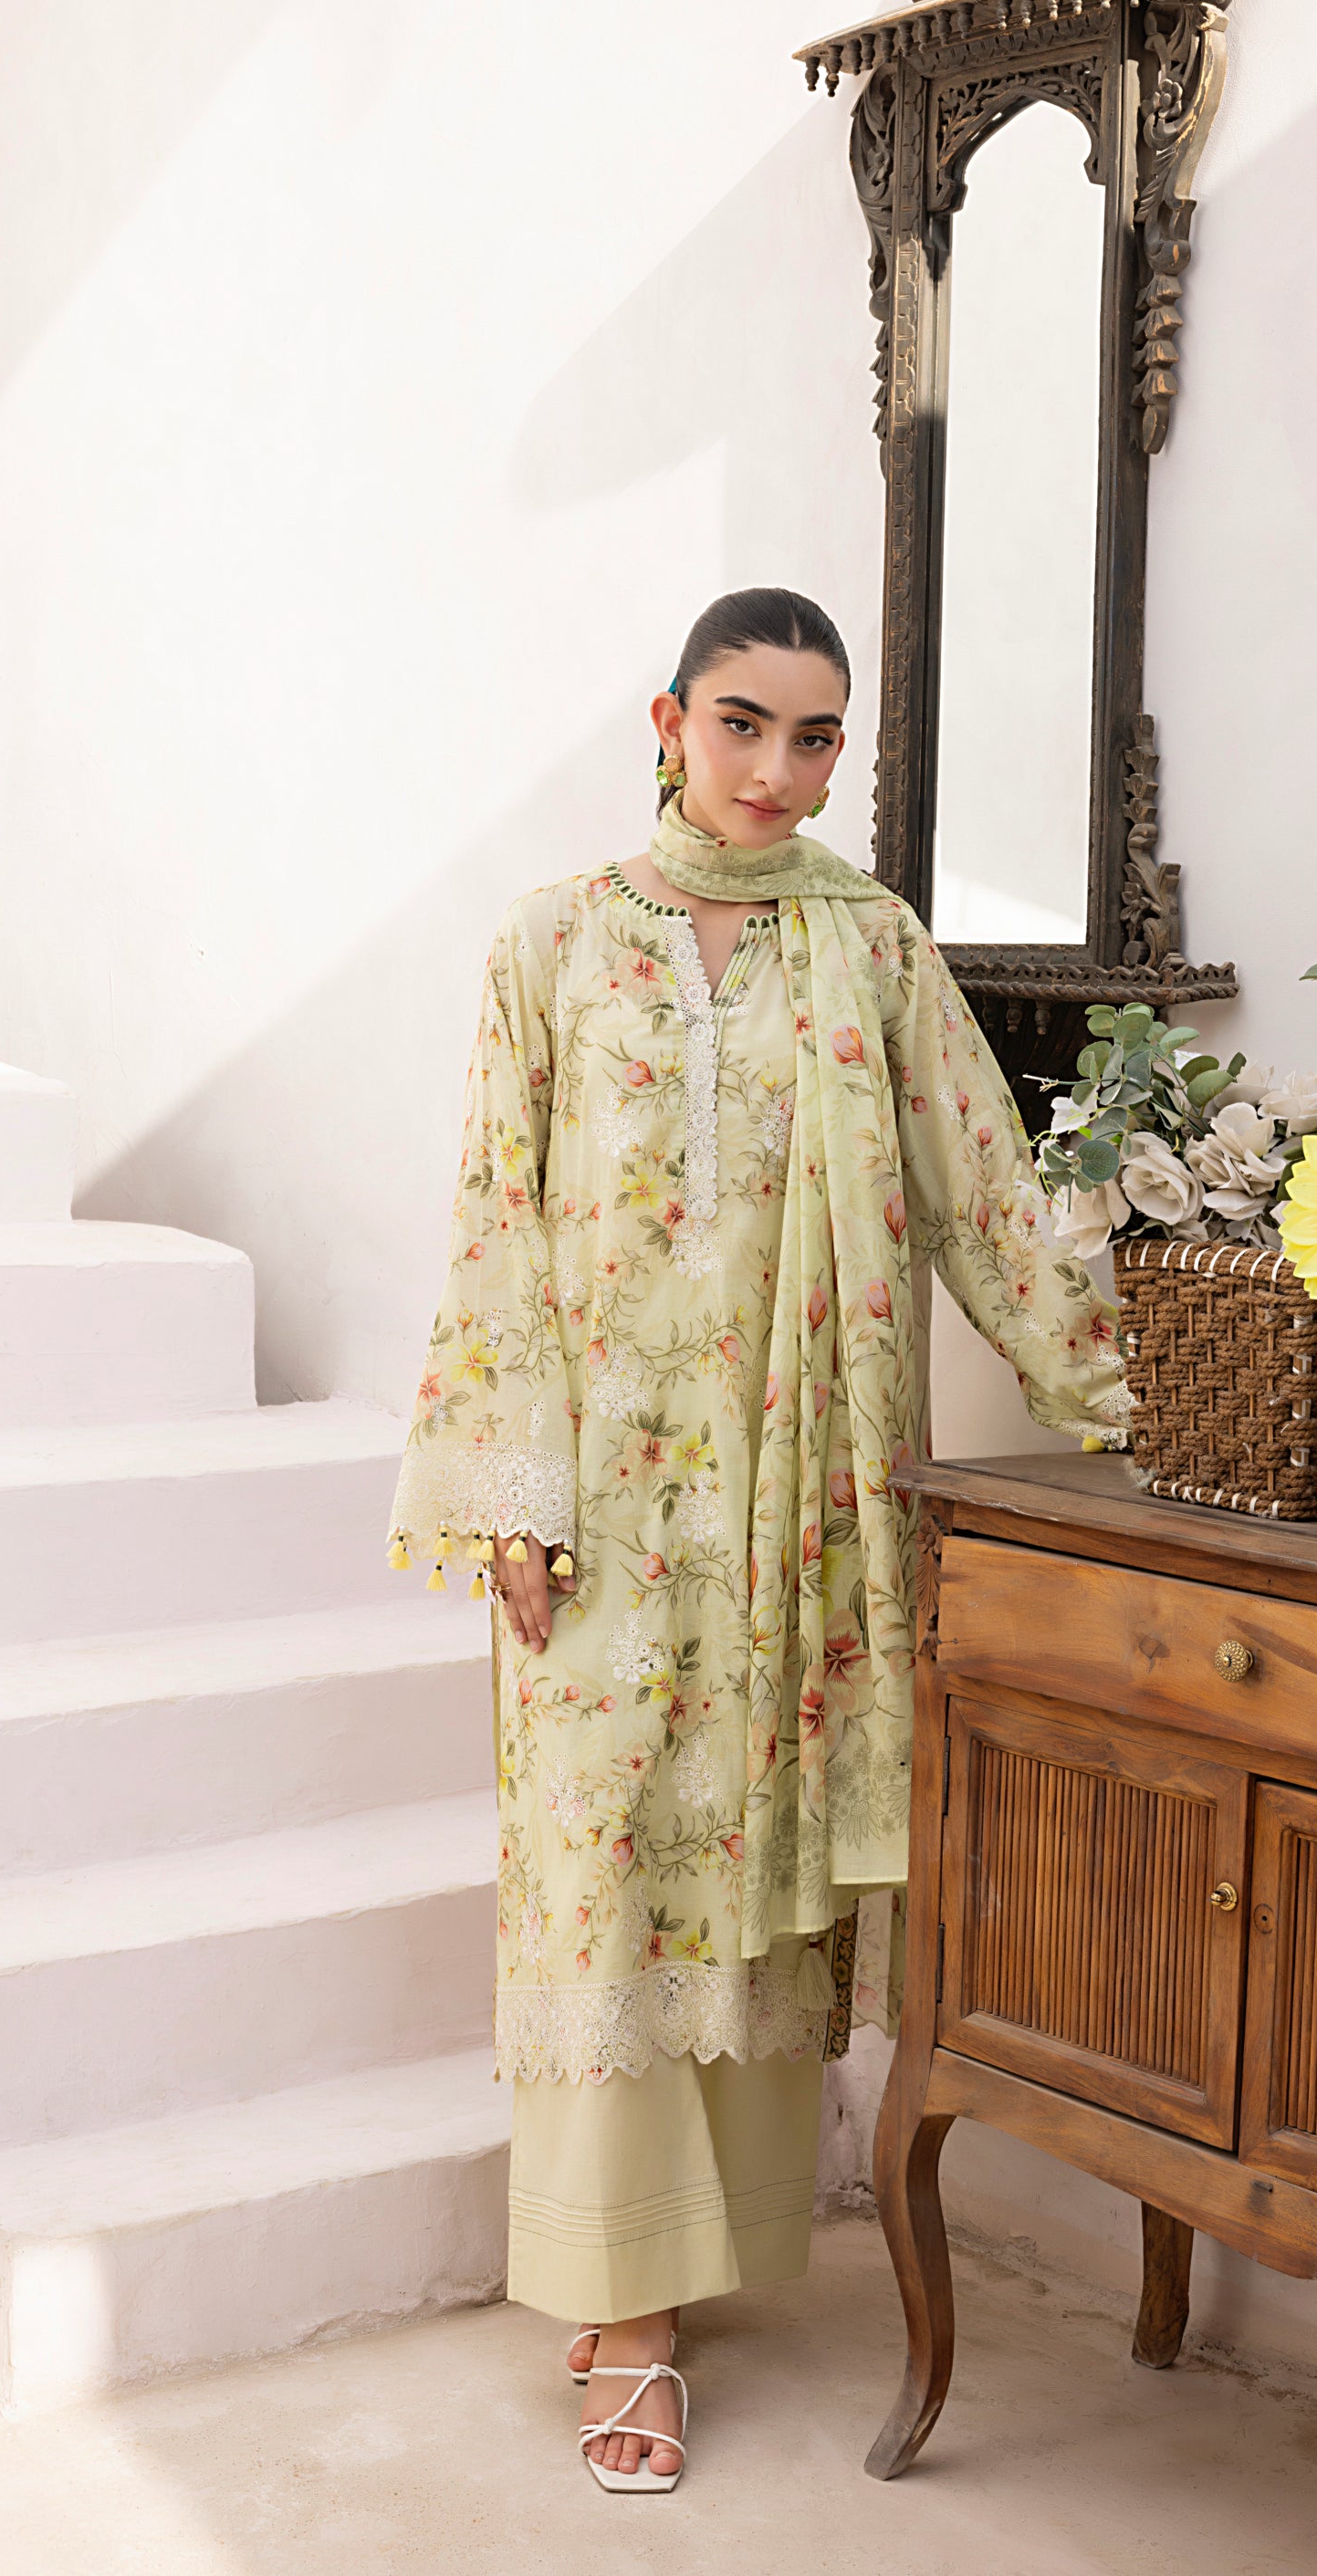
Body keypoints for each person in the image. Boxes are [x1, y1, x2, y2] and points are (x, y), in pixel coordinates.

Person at [388, 587, 1129, 2492]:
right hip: (602, 1502)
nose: (776, 771)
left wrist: (1141, 1408)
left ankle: (678, 2261)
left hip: (809, 1503)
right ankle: (618, 2313)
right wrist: (514, 1490)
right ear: (669, 721)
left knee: (744, 1866)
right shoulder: (552, 941)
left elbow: (982, 1191)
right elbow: (495, 1218)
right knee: (601, 1869)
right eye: (742, 725)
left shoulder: (870, 945)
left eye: (814, 739)